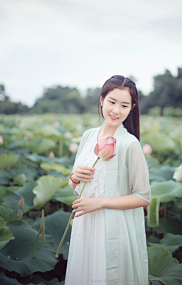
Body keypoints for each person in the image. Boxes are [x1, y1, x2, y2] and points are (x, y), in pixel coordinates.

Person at [64, 75, 151, 285]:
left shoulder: (129, 144)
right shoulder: (87, 136)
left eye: (124, 105)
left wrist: (100, 202)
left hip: (113, 227)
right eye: (112, 102)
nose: (116, 110)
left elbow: (143, 197)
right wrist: (74, 178)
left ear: (132, 108)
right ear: (101, 99)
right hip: (85, 224)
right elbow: (76, 185)